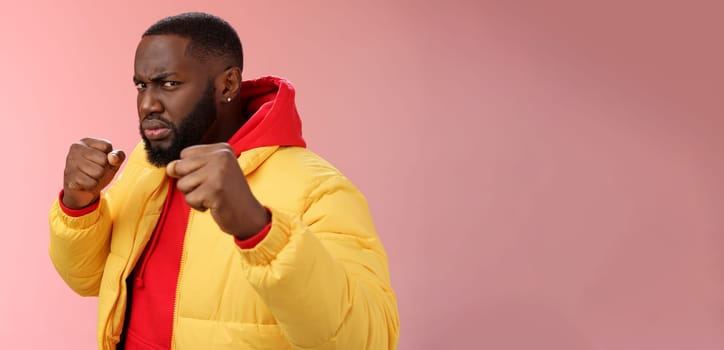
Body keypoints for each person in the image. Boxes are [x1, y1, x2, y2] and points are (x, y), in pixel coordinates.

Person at [48, 12, 399, 350]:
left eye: (169, 83)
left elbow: (369, 340)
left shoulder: (320, 190)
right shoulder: (147, 163)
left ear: (227, 84)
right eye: (141, 85)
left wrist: (258, 229)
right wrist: (78, 204)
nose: (147, 104)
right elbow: (90, 279)